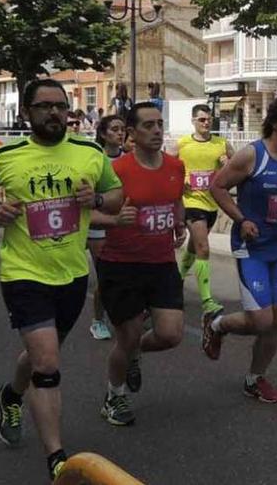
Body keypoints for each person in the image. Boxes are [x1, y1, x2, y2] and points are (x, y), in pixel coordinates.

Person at [0, 78, 123, 480]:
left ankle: (10, 394)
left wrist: (99, 201)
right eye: (44, 106)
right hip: (23, 272)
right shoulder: (7, 156)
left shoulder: (90, 152)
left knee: (41, 356)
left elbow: (117, 193)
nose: (54, 113)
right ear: (26, 112)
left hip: (71, 273)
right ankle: (56, 458)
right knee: (49, 363)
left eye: (61, 106)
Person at [203, 94, 277, 403]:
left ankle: (256, 378)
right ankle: (217, 325)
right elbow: (217, 186)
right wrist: (241, 219)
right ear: (273, 122)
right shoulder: (252, 156)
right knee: (261, 321)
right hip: (251, 248)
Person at [94, 103, 186, 425]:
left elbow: (176, 198)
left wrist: (180, 222)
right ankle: (114, 396)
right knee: (128, 335)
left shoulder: (176, 165)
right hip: (121, 264)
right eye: (148, 125)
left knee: (171, 334)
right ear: (131, 134)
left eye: (160, 124)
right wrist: (114, 219)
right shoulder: (115, 171)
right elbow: (84, 213)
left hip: (161, 263)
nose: (157, 130)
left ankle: (134, 354)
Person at [171, 104, 234, 318]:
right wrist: (180, 182)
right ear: (193, 121)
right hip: (191, 203)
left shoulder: (221, 144)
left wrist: (228, 164)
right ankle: (207, 301)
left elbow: (238, 169)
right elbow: (167, 167)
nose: (206, 123)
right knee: (203, 248)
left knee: (193, 245)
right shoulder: (182, 144)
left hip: (211, 205)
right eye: (201, 120)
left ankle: (177, 280)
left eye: (208, 119)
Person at [87, 115, 127, 340]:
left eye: (122, 129)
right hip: (96, 223)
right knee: (106, 275)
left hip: (121, 224)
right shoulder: (94, 158)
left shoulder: (128, 159)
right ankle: (97, 321)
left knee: (123, 273)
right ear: (103, 134)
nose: (120, 133)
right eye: (114, 129)